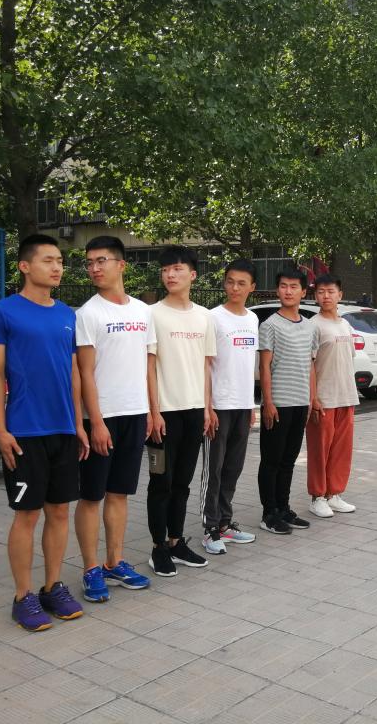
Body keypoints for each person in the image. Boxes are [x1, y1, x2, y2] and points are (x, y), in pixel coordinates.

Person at [0, 234, 90, 631]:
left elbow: (73, 373)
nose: (57, 267)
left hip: (63, 428)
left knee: (59, 511)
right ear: (25, 266)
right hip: (24, 430)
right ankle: (22, 596)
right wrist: (1, 427)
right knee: (27, 514)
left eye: (59, 260)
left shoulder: (66, 314)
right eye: (48, 260)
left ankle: (52, 587)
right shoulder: (2, 313)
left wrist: (78, 424)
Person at [74, 236, 154, 603]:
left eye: (101, 260)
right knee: (92, 496)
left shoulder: (143, 311)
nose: (94, 268)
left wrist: (152, 411)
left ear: (121, 265)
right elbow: (84, 373)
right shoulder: (87, 314)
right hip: (102, 418)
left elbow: (148, 366)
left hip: (135, 414)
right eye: (89, 262)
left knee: (119, 493)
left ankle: (114, 562)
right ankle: (91, 568)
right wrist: (95, 422)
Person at [146, 246, 216, 576]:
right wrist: (153, 412)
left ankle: (176, 541)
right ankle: (158, 547)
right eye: (165, 270)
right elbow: (148, 367)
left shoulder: (204, 316)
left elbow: (205, 366)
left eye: (177, 269)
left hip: (194, 413)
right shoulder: (152, 314)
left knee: (183, 483)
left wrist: (207, 408)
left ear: (193, 274)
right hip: (163, 416)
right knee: (160, 480)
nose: (170, 275)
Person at [199, 259, 260, 555]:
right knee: (214, 470)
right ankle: (210, 528)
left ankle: (225, 522)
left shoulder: (252, 319)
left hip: (242, 405)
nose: (234, 288)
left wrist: (251, 405)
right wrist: (207, 407)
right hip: (218, 406)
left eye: (241, 283)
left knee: (233, 468)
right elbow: (205, 365)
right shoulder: (212, 317)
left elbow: (247, 365)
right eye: (230, 282)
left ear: (252, 288)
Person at [258, 268, 319, 534]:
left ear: (304, 292)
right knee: (271, 461)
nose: (288, 291)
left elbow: (310, 365)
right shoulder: (269, 325)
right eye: (283, 286)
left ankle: (283, 508)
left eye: (294, 287)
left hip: (300, 403)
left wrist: (311, 399)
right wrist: (268, 402)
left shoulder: (310, 326)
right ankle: (269, 513)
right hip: (278, 404)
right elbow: (264, 366)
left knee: (288, 460)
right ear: (277, 290)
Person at [306, 274, 358, 517]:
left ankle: (333, 494)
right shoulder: (313, 325)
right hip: (323, 399)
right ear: (315, 296)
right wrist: (313, 398)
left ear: (340, 295)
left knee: (341, 450)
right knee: (320, 451)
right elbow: (308, 364)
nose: (325, 296)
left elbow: (349, 359)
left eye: (330, 291)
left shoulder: (345, 324)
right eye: (321, 292)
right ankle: (317, 497)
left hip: (346, 396)